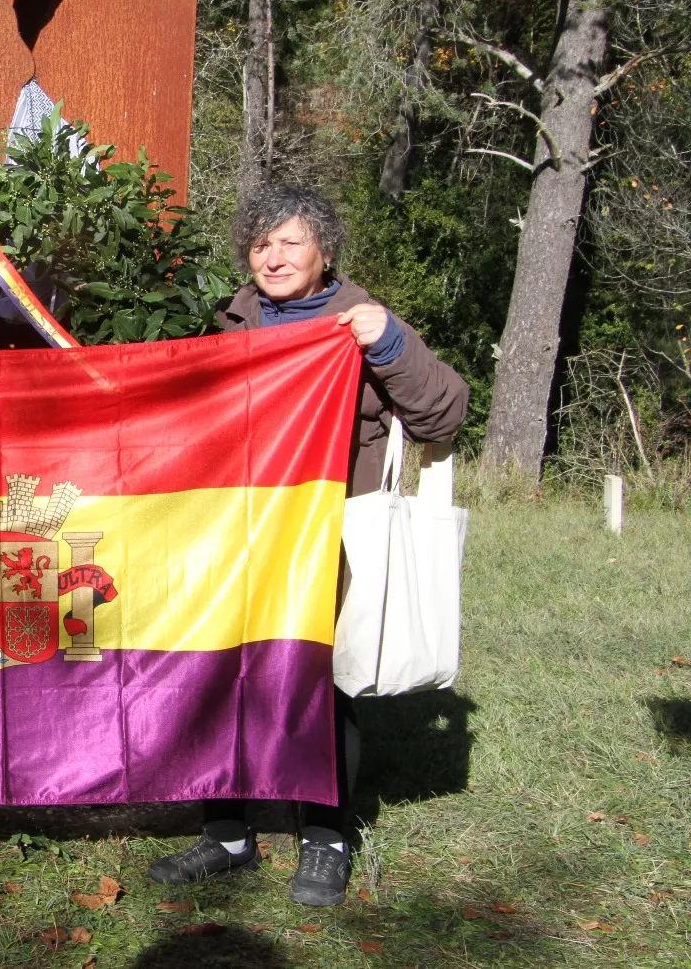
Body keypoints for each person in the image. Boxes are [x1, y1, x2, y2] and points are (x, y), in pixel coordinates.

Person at [146, 184, 468, 906]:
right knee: (221, 674)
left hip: (331, 534)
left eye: (292, 241)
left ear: (325, 252)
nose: (274, 256)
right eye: (261, 243)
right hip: (238, 531)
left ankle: (326, 839)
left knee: (322, 682)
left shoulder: (360, 321)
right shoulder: (229, 322)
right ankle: (226, 832)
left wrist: (385, 343)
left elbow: (445, 412)